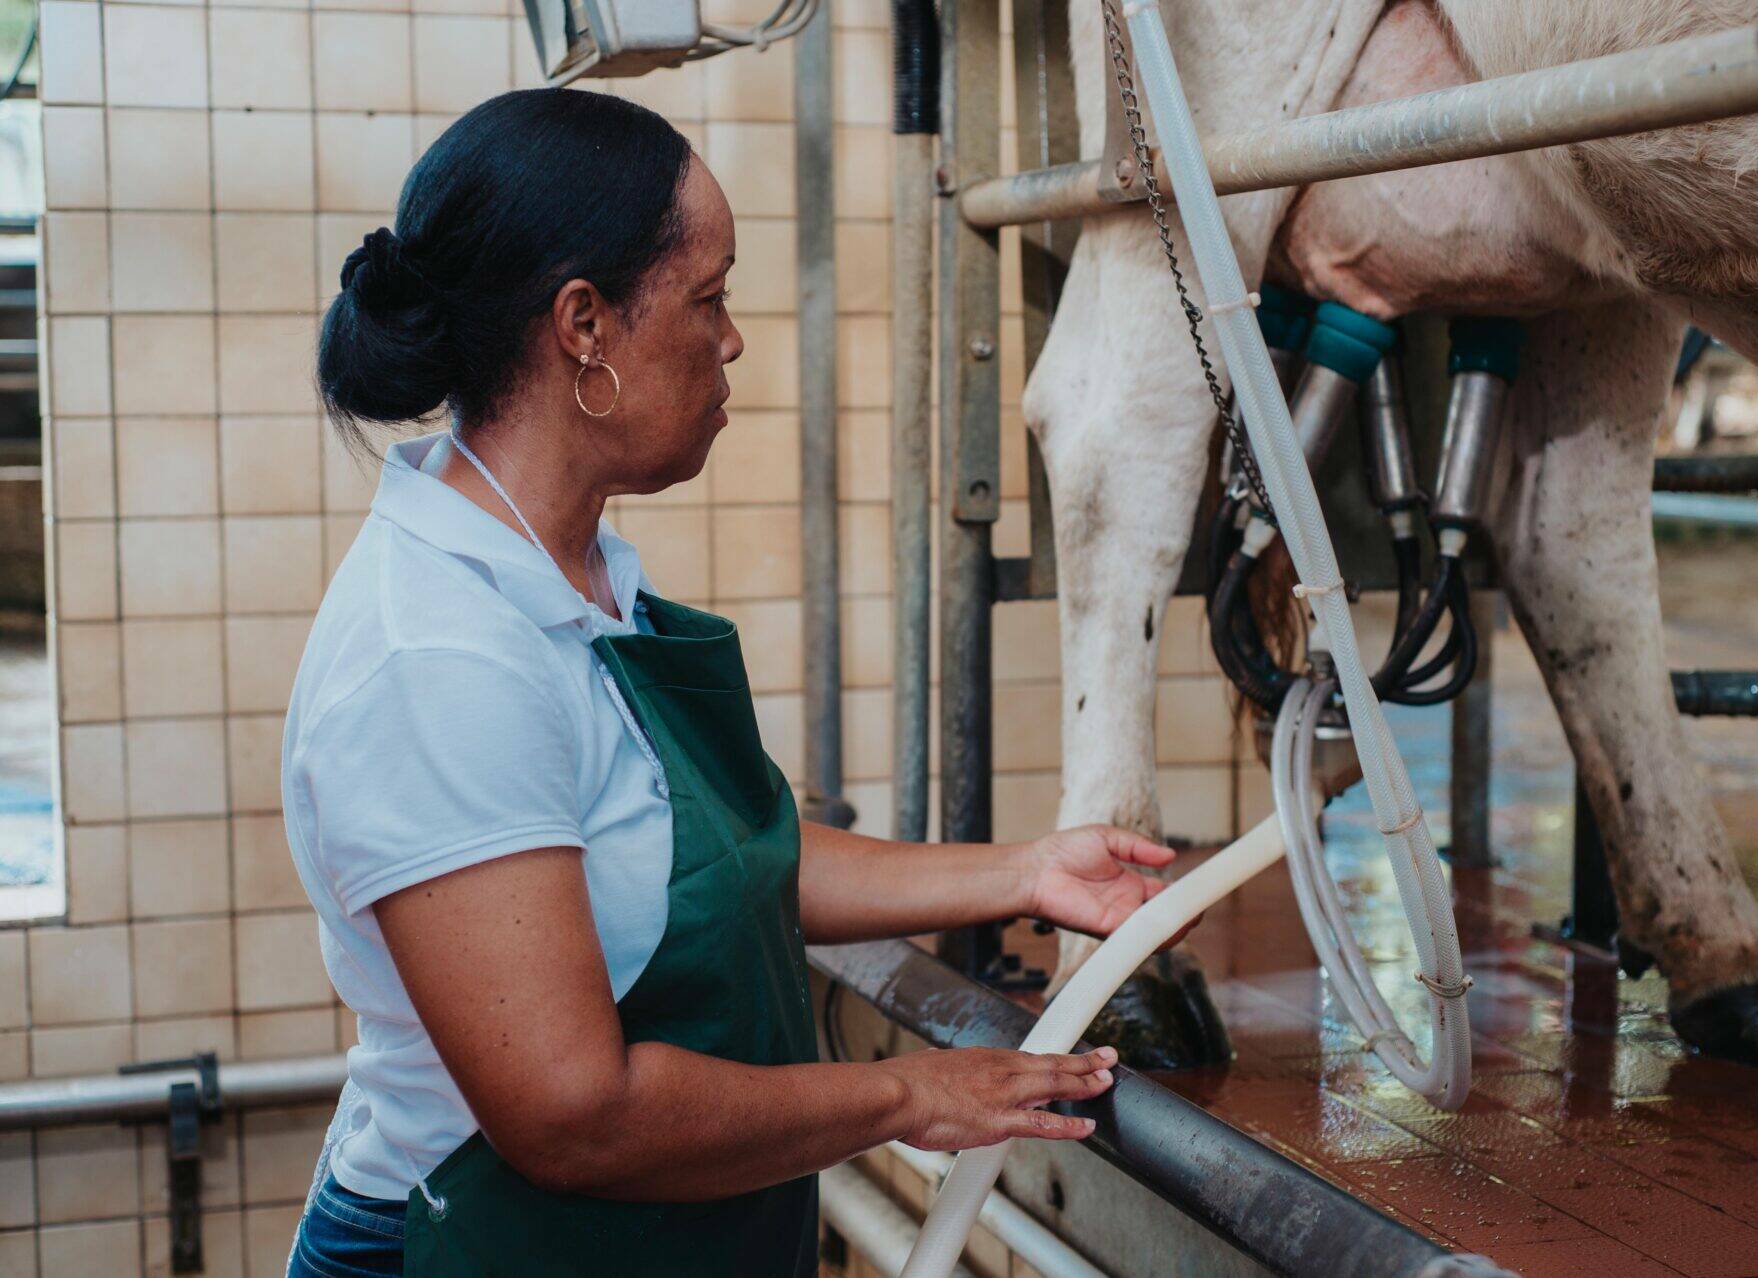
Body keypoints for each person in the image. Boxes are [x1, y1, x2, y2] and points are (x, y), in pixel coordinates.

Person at [284, 88, 1182, 1276]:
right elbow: (572, 1113)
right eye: (709, 296)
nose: (733, 336)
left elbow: (723, 854)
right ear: (583, 325)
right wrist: (907, 1095)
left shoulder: (572, 569)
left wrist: (1023, 872)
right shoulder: (441, 658)